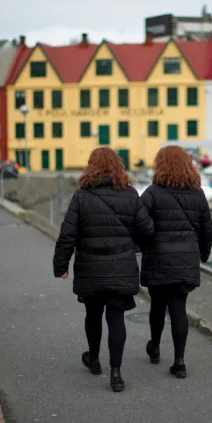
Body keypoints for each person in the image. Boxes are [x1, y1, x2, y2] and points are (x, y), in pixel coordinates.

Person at [53, 147, 154, 392]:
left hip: (90, 266)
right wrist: (133, 246)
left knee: (93, 315)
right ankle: (116, 373)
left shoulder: (81, 196)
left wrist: (61, 266)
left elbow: (68, 234)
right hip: (121, 264)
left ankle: (95, 359)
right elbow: (147, 229)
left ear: (91, 166)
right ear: (118, 166)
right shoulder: (130, 195)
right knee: (116, 317)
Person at [139, 146, 212, 379]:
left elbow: (139, 223)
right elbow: (207, 231)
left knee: (157, 306)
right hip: (186, 260)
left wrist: (145, 245)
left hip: (159, 258)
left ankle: (154, 347)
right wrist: (203, 254)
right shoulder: (197, 193)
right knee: (178, 307)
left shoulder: (151, 193)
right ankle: (179, 362)